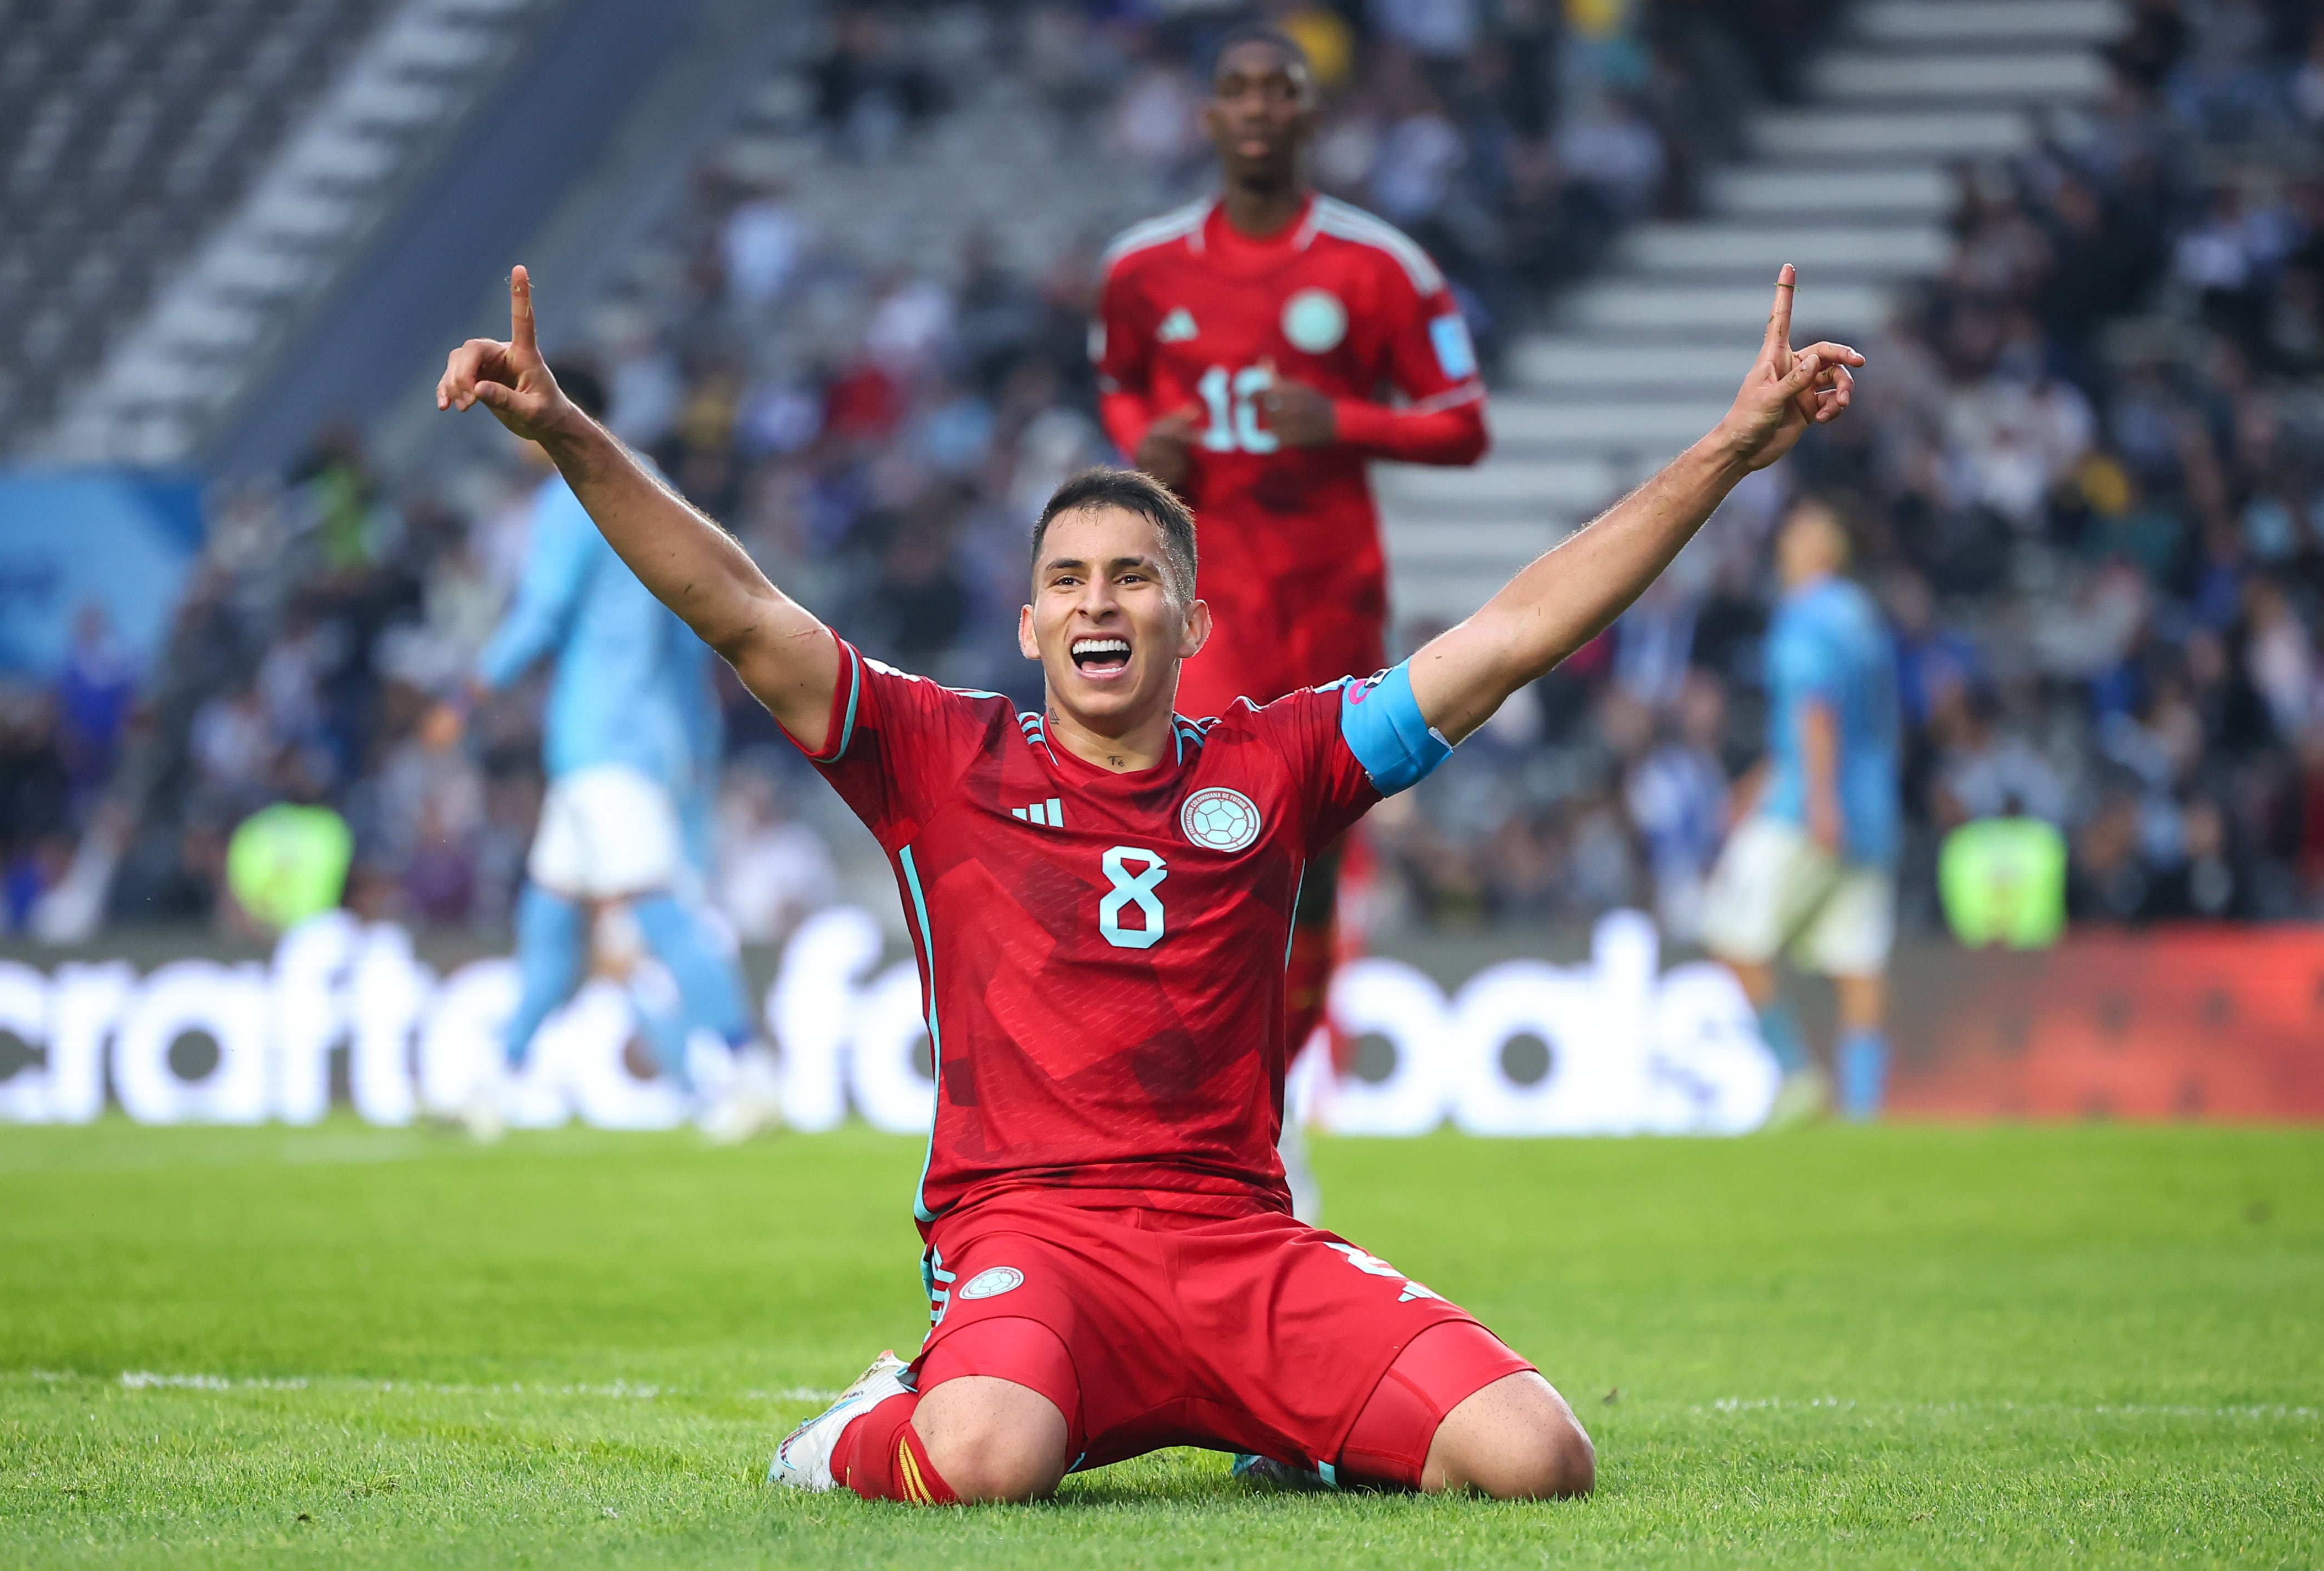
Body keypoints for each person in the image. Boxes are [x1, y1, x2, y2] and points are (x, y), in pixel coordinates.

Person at [437, 260, 1857, 1503]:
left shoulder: (1282, 757)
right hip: (1030, 1236)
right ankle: (862, 1424)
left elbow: (1511, 633)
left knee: (1539, 1455)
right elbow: (733, 605)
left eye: (1131, 576)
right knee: (983, 1456)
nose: (1097, 600)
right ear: (1030, 616)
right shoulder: (936, 751)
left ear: (1192, 617)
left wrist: (1728, 453)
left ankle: (1282, 1421)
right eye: (1067, 578)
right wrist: (568, 435)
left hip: (1237, 1237)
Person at [1093, 25, 1490, 1217]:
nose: (1260, 109)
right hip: (1202, 622)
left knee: (1307, 877)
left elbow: (1462, 422)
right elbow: (1119, 382)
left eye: (1284, 92)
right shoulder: (1143, 270)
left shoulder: (1379, 268)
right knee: (1210, 857)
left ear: (1314, 118)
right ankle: (1193, 1124)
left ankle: (1269, 1115)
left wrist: (1345, 422)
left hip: (1327, 614)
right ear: (1206, 117)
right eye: (1237, 91)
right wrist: (1140, 449)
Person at [461, 360, 775, 1142]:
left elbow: (540, 613)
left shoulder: (576, 492)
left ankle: (748, 1070)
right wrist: (693, 744)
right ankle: (496, 1081)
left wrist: (468, 690)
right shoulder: (656, 487)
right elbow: (691, 628)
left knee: (659, 915)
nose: (519, 444)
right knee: (550, 918)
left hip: (607, 741)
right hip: (628, 743)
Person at [1700, 500, 1902, 1124]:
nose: (1783, 548)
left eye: (1794, 538)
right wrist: (1754, 785)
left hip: (1808, 812)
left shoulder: (1804, 617)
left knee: (1729, 933)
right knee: (1858, 960)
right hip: (1872, 810)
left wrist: (1817, 799)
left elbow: (1815, 710)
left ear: (1820, 550)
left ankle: (1795, 1073)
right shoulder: (1863, 617)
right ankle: (1863, 1112)